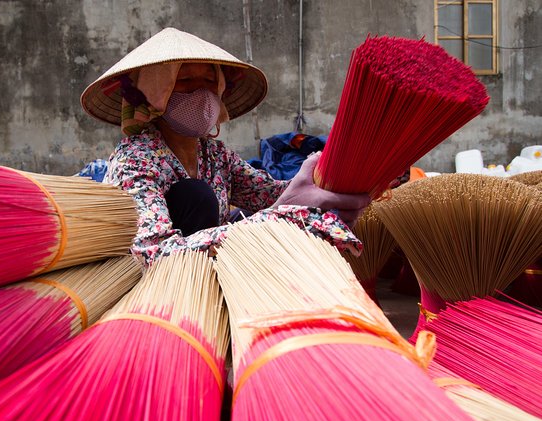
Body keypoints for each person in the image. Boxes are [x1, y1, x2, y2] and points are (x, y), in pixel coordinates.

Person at [80, 28, 371, 266]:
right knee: (195, 195)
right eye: (185, 81)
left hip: (210, 267)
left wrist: (330, 182)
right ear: (155, 93)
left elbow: (269, 194)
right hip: (159, 285)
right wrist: (270, 220)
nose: (201, 92)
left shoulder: (215, 154)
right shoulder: (136, 159)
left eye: (209, 81)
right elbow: (151, 252)